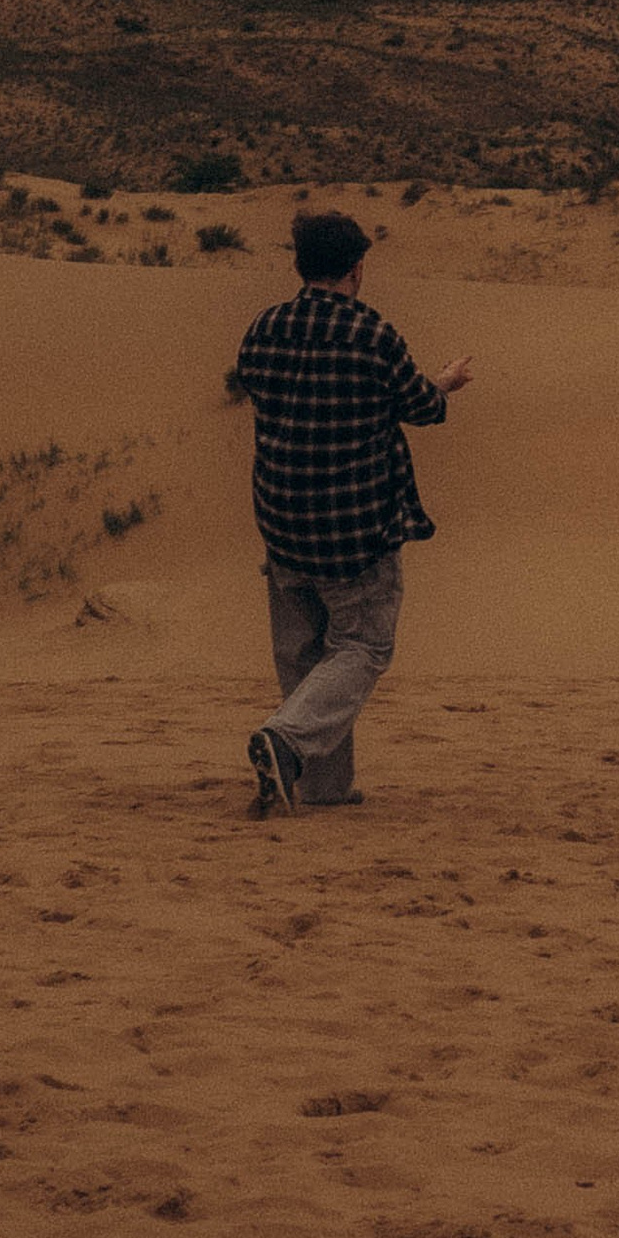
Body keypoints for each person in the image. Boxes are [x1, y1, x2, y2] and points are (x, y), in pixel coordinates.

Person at [229, 208, 470, 815]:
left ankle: (324, 788)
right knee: (363, 647)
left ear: (299, 265)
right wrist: (444, 383)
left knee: (304, 658)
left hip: (282, 521)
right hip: (354, 530)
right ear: (357, 269)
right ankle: (286, 741)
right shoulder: (371, 335)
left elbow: (252, 386)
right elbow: (423, 408)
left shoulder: (264, 328)